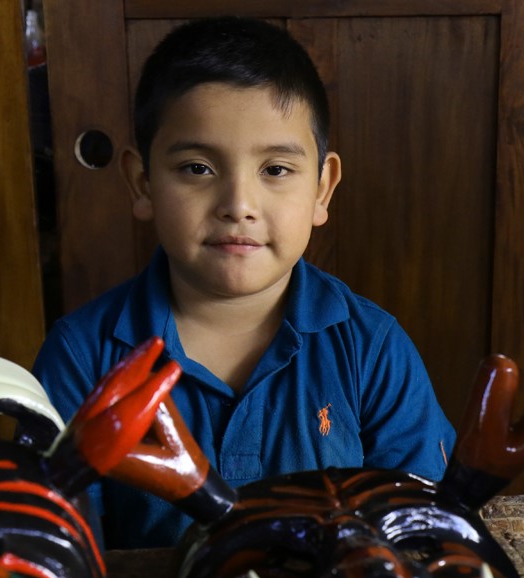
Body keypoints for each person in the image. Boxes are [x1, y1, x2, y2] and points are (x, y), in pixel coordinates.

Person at [33, 16, 455, 549]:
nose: (238, 205)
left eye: (276, 170)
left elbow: (426, 528)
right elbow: (58, 547)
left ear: (322, 189)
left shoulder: (371, 349)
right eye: (196, 168)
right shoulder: (81, 358)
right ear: (143, 184)